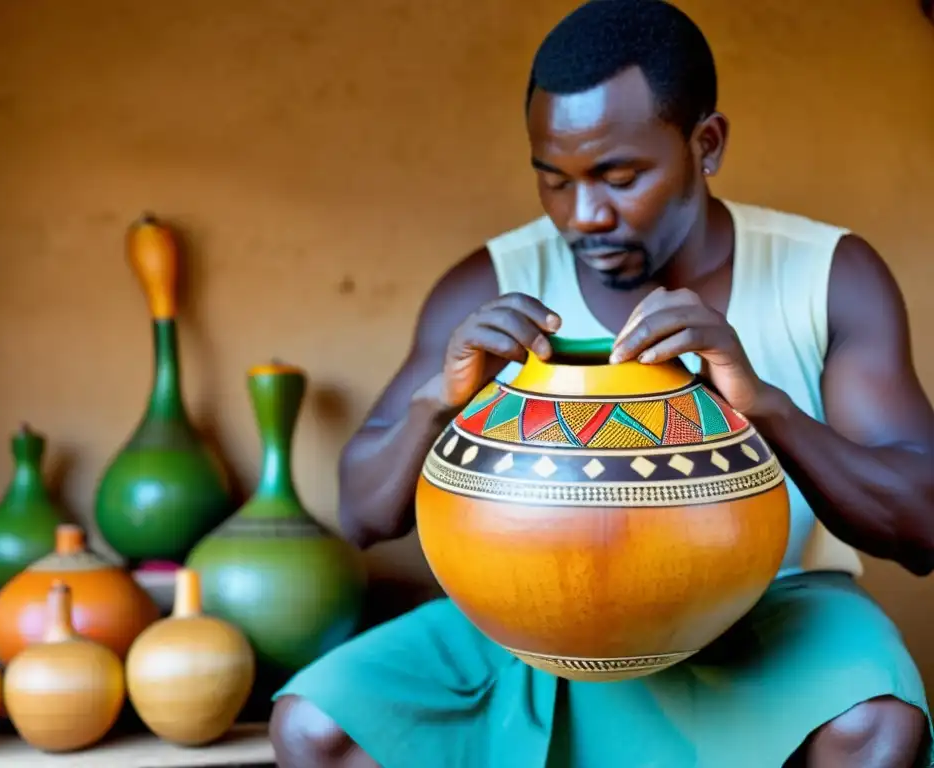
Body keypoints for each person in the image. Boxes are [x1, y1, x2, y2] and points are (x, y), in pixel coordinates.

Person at [269, 1, 934, 765]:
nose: (582, 215)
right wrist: (435, 404)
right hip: (527, 631)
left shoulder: (826, 277)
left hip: (760, 621)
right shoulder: (492, 283)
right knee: (316, 731)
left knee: (874, 721)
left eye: (620, 176)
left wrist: (764, 407)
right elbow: (361, 517)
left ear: (705, 144)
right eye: (553, 179)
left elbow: (922, 529)